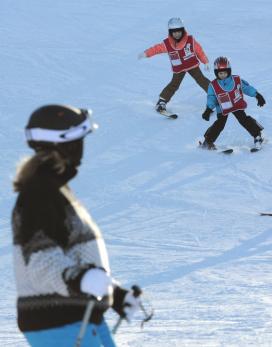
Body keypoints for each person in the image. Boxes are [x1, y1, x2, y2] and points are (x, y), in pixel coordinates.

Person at [12, 105, 143, 346]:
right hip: (58, 322)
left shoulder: (55, 191)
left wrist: (115, 296)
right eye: (79, 141)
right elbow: (41, 263)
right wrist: (79, 279)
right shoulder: (39, 194)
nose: (82, 148)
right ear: (63, 144)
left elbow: (74, 261)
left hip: (81, 317)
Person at [139, 17, 211, 112]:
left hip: (192, 65)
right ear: (170, 32)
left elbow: (199, 50)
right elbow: (157, 49)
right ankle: (162, 101)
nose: (177, 34)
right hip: (179, 68)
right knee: (174, 84)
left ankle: (215, 94)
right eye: (174, 32)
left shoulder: (190, 40)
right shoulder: (167, 44)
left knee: (201, 80)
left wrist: (205, 61)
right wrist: (147, 53)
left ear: (182, 31)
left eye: (179, 31)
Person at [200, 56, 266, 150]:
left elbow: (246, 88)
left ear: (229, 71)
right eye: (220, 73)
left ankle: (257, 136)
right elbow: (211, 97)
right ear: (216, 73)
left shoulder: (236, 80)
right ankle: (208, 141)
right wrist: (208, 109)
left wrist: (257, 95)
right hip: (222, 108)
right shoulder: (213, 85)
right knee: (219, 125)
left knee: (244, 120)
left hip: (236, 105)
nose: (222, 75)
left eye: (225, 73)